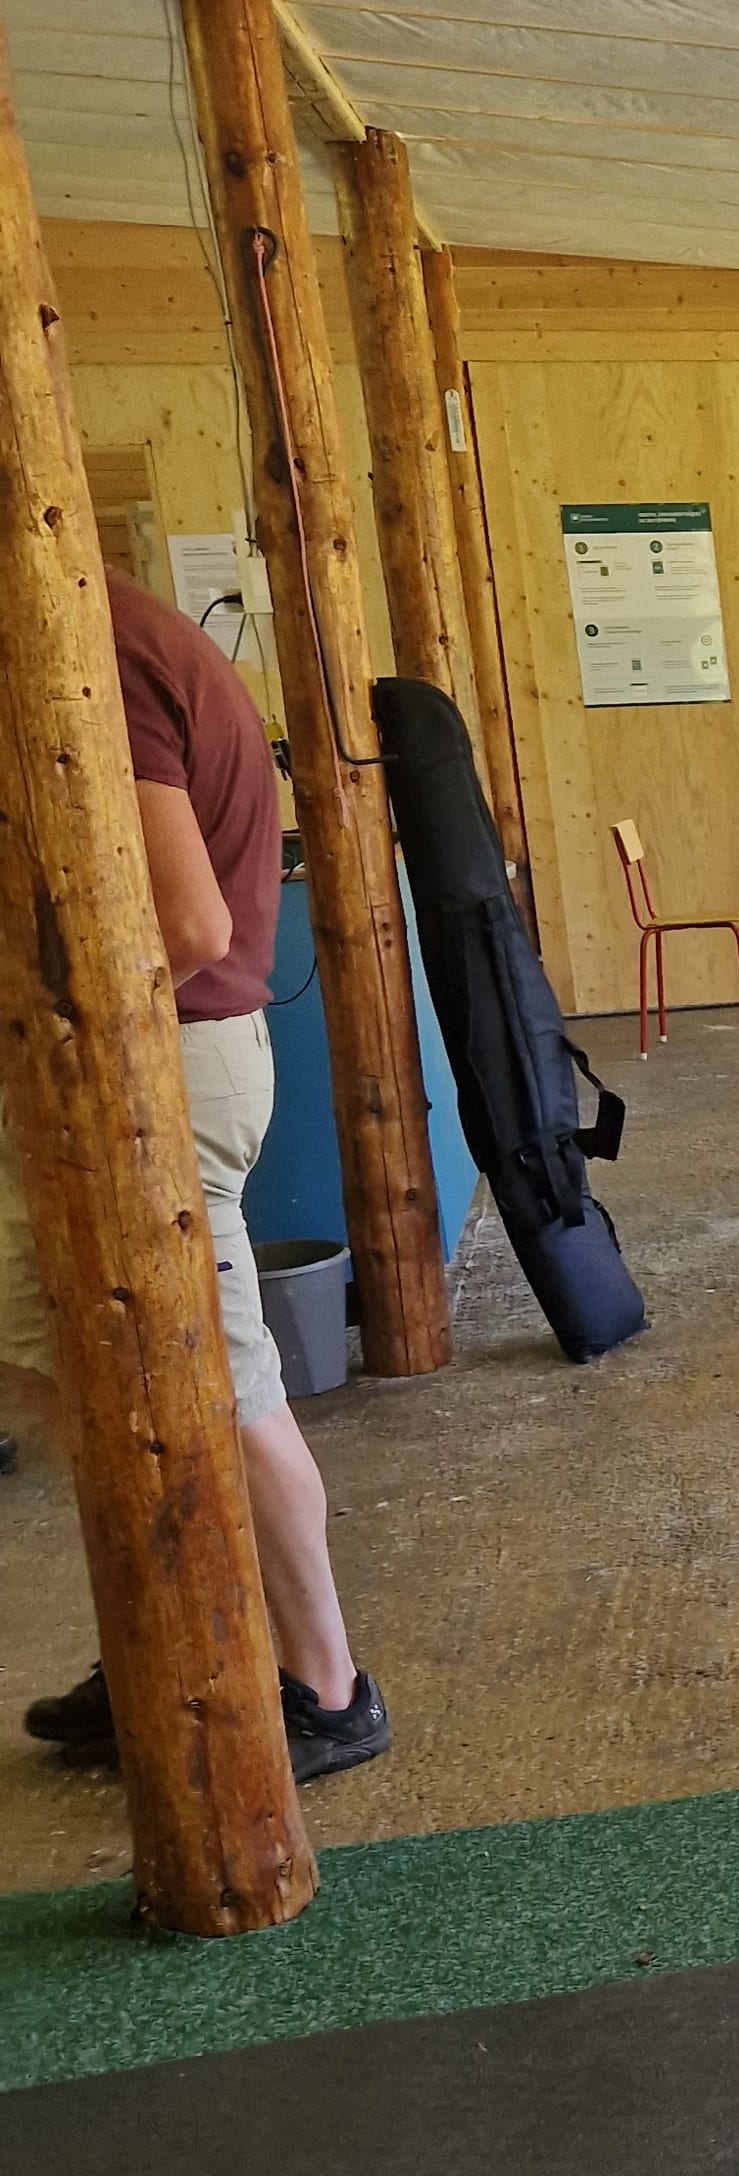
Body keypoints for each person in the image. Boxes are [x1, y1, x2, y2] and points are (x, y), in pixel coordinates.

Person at [9, 568, 390, 1784]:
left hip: (153, 1064)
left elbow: (185, 927)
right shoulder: (97, 632)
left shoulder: (98, 650)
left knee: (223, 1388)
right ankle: (166, 1644)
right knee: (66, 1374)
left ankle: (329, 1689)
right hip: (132, 1061)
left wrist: (46, 1025)